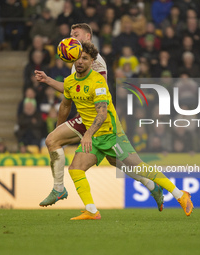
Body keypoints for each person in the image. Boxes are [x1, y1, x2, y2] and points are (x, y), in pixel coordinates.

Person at [35, 23, 163, 210]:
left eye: (75, 34)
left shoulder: (94, 62)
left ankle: (152, 184)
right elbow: (69, 89)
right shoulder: (77, 59)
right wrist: (47, 80)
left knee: (120, 161)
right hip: (85, 118)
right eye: (70, 35)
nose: (71, 38)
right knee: (54, 141)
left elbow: (99, 91)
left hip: (97, 119)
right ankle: (59, 188)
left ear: (87, 37)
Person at [58, 42, 193, 220]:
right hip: (94, 138)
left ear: (92, 61)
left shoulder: (98, 81)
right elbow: (66, 103)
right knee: (75, 169)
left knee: (139, 167)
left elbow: (102, 113)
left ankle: (180, 195)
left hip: (111, 134)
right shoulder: (70, 81)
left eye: (85, 58)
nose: (80, 61)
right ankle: (91, 210)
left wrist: (87, 135)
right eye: (78, 58)